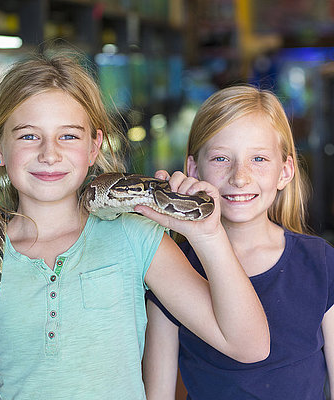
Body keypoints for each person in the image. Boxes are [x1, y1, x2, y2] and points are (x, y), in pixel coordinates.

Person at [0, 53, 270, 399]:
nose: (49, 154)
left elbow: (249, 345)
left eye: (68, 136)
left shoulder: (136, 237)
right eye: (28, 136)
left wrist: (209, 235)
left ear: (94, 147)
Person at [143, 85, 334, 399]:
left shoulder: (321, 264)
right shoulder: (174, 268)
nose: (239, 176)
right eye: (220, 158)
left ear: (285, 171)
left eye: (258, 158)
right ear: (193, 169)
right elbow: (158, 393)